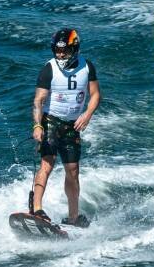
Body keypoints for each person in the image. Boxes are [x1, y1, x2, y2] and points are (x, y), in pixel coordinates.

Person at [28, 28, 101, 228]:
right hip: (51, 122)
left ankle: (73, 217)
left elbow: (95, 95)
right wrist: (37, 125)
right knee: (47, 164)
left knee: (73, 170)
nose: (60, 55)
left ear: (74, 49)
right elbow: (39, 100)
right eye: (57, 51)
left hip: (72, 126)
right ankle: (37, 209)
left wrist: (87, 115)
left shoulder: (87, 67)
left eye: (64, 51)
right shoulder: (48, 69)